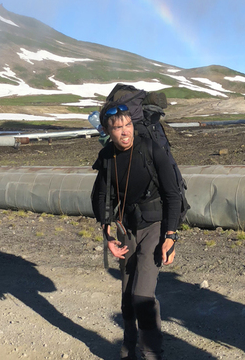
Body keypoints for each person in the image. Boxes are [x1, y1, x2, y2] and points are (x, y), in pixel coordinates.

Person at [90, 102, 183, 360]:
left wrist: (170, 237)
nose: (125, 132)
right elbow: (100, 197)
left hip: (155, 225)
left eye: (128, 125)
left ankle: (151, 354)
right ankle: (128, 349)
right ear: (107, 130)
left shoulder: (151, 150)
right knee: (127, 294)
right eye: (118, 128)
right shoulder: (108, 157)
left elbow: (173, 195)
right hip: (126, 227)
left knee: (142, 296)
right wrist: (108, 235)